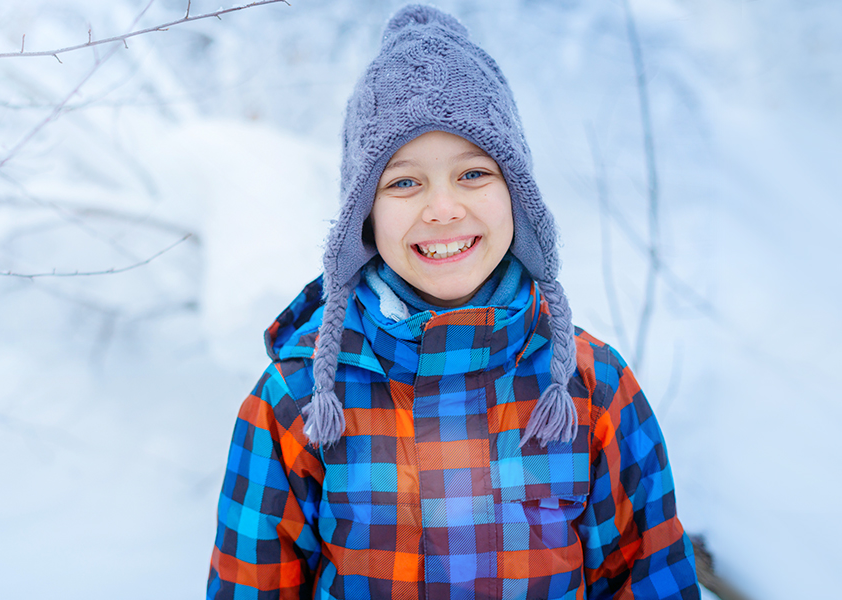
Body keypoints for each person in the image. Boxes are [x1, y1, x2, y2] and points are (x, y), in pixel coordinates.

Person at [207, 5, 700, 599]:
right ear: (364, 217)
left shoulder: (587, 388)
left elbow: (647, 578)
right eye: (404, 182)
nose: (442, 208)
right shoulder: (304, 397)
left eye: (472, 174)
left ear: (517, 196)